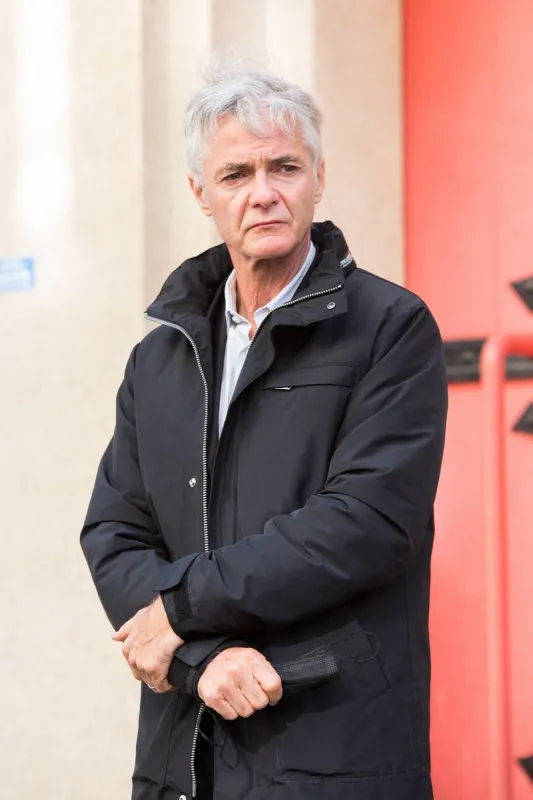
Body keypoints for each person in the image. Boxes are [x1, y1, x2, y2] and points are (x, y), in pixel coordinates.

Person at [81, 64, 447, 800]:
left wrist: (181, 612)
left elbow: (368, 524)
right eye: (235, 173)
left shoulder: (390, 328)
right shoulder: (160, 357)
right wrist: (200, 659)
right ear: (200, 194)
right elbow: (115, 533)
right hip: (184, 755)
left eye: (284, 166)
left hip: (332, 748)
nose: (263, 192)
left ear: (318, 177)